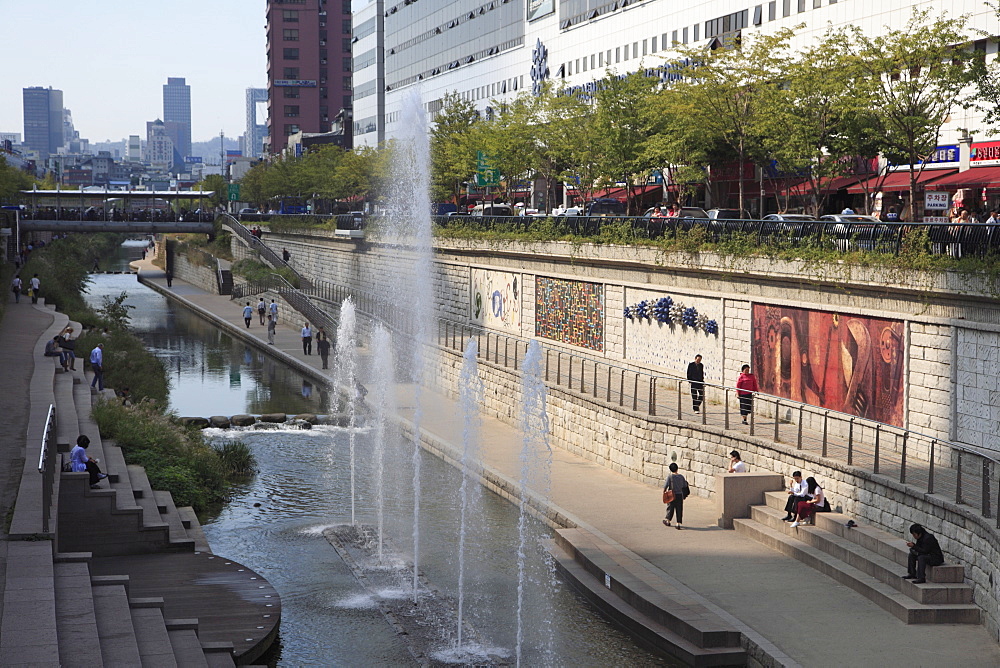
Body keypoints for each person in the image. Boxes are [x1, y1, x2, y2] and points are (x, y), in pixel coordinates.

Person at [662, 462, 690, 530]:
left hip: (672, 495)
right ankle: (678, 523)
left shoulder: (670, 477)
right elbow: (684, 485)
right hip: (679, 495)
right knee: (679, 509)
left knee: (670, 508)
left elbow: (665, 486)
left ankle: (668, 520)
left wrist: (664, 492)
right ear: (677, 469)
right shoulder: (681, 477)